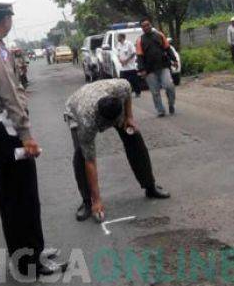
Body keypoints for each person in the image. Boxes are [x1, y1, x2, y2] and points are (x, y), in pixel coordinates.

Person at [0, 0, 67, 277]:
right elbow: (9, 93)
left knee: (11, 196)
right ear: (4, 19)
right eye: (10, 14)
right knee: (23, 196)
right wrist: (26, 135)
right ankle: (31, 262)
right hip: (6, 128)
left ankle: (28, 253)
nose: (11, 19)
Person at [64, 79, 170, 222]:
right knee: (82, 156)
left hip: (102, 97)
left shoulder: (119, 88)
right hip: (75, 109)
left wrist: (129, 117)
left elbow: (128, 88)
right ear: (101, 119)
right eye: (110, 123)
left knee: (134, 137)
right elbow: (91, 162)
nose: (112, 125)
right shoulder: (87, 120)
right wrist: (97, 200)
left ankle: (150, 186)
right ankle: (88, 202)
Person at [136, 18, 176, 117]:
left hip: (163, 66)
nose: (146, 27)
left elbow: (167, 48)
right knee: (155, 92)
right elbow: (139, 56)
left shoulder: (159, 35)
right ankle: (160, 110)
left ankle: (171, 104)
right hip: (149, 70)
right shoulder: (140, 40)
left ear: (151, 25)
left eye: (147, 25)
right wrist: (142, 70)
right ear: (141, 28)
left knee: (169, 86)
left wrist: (174, 60)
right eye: (143, 26)